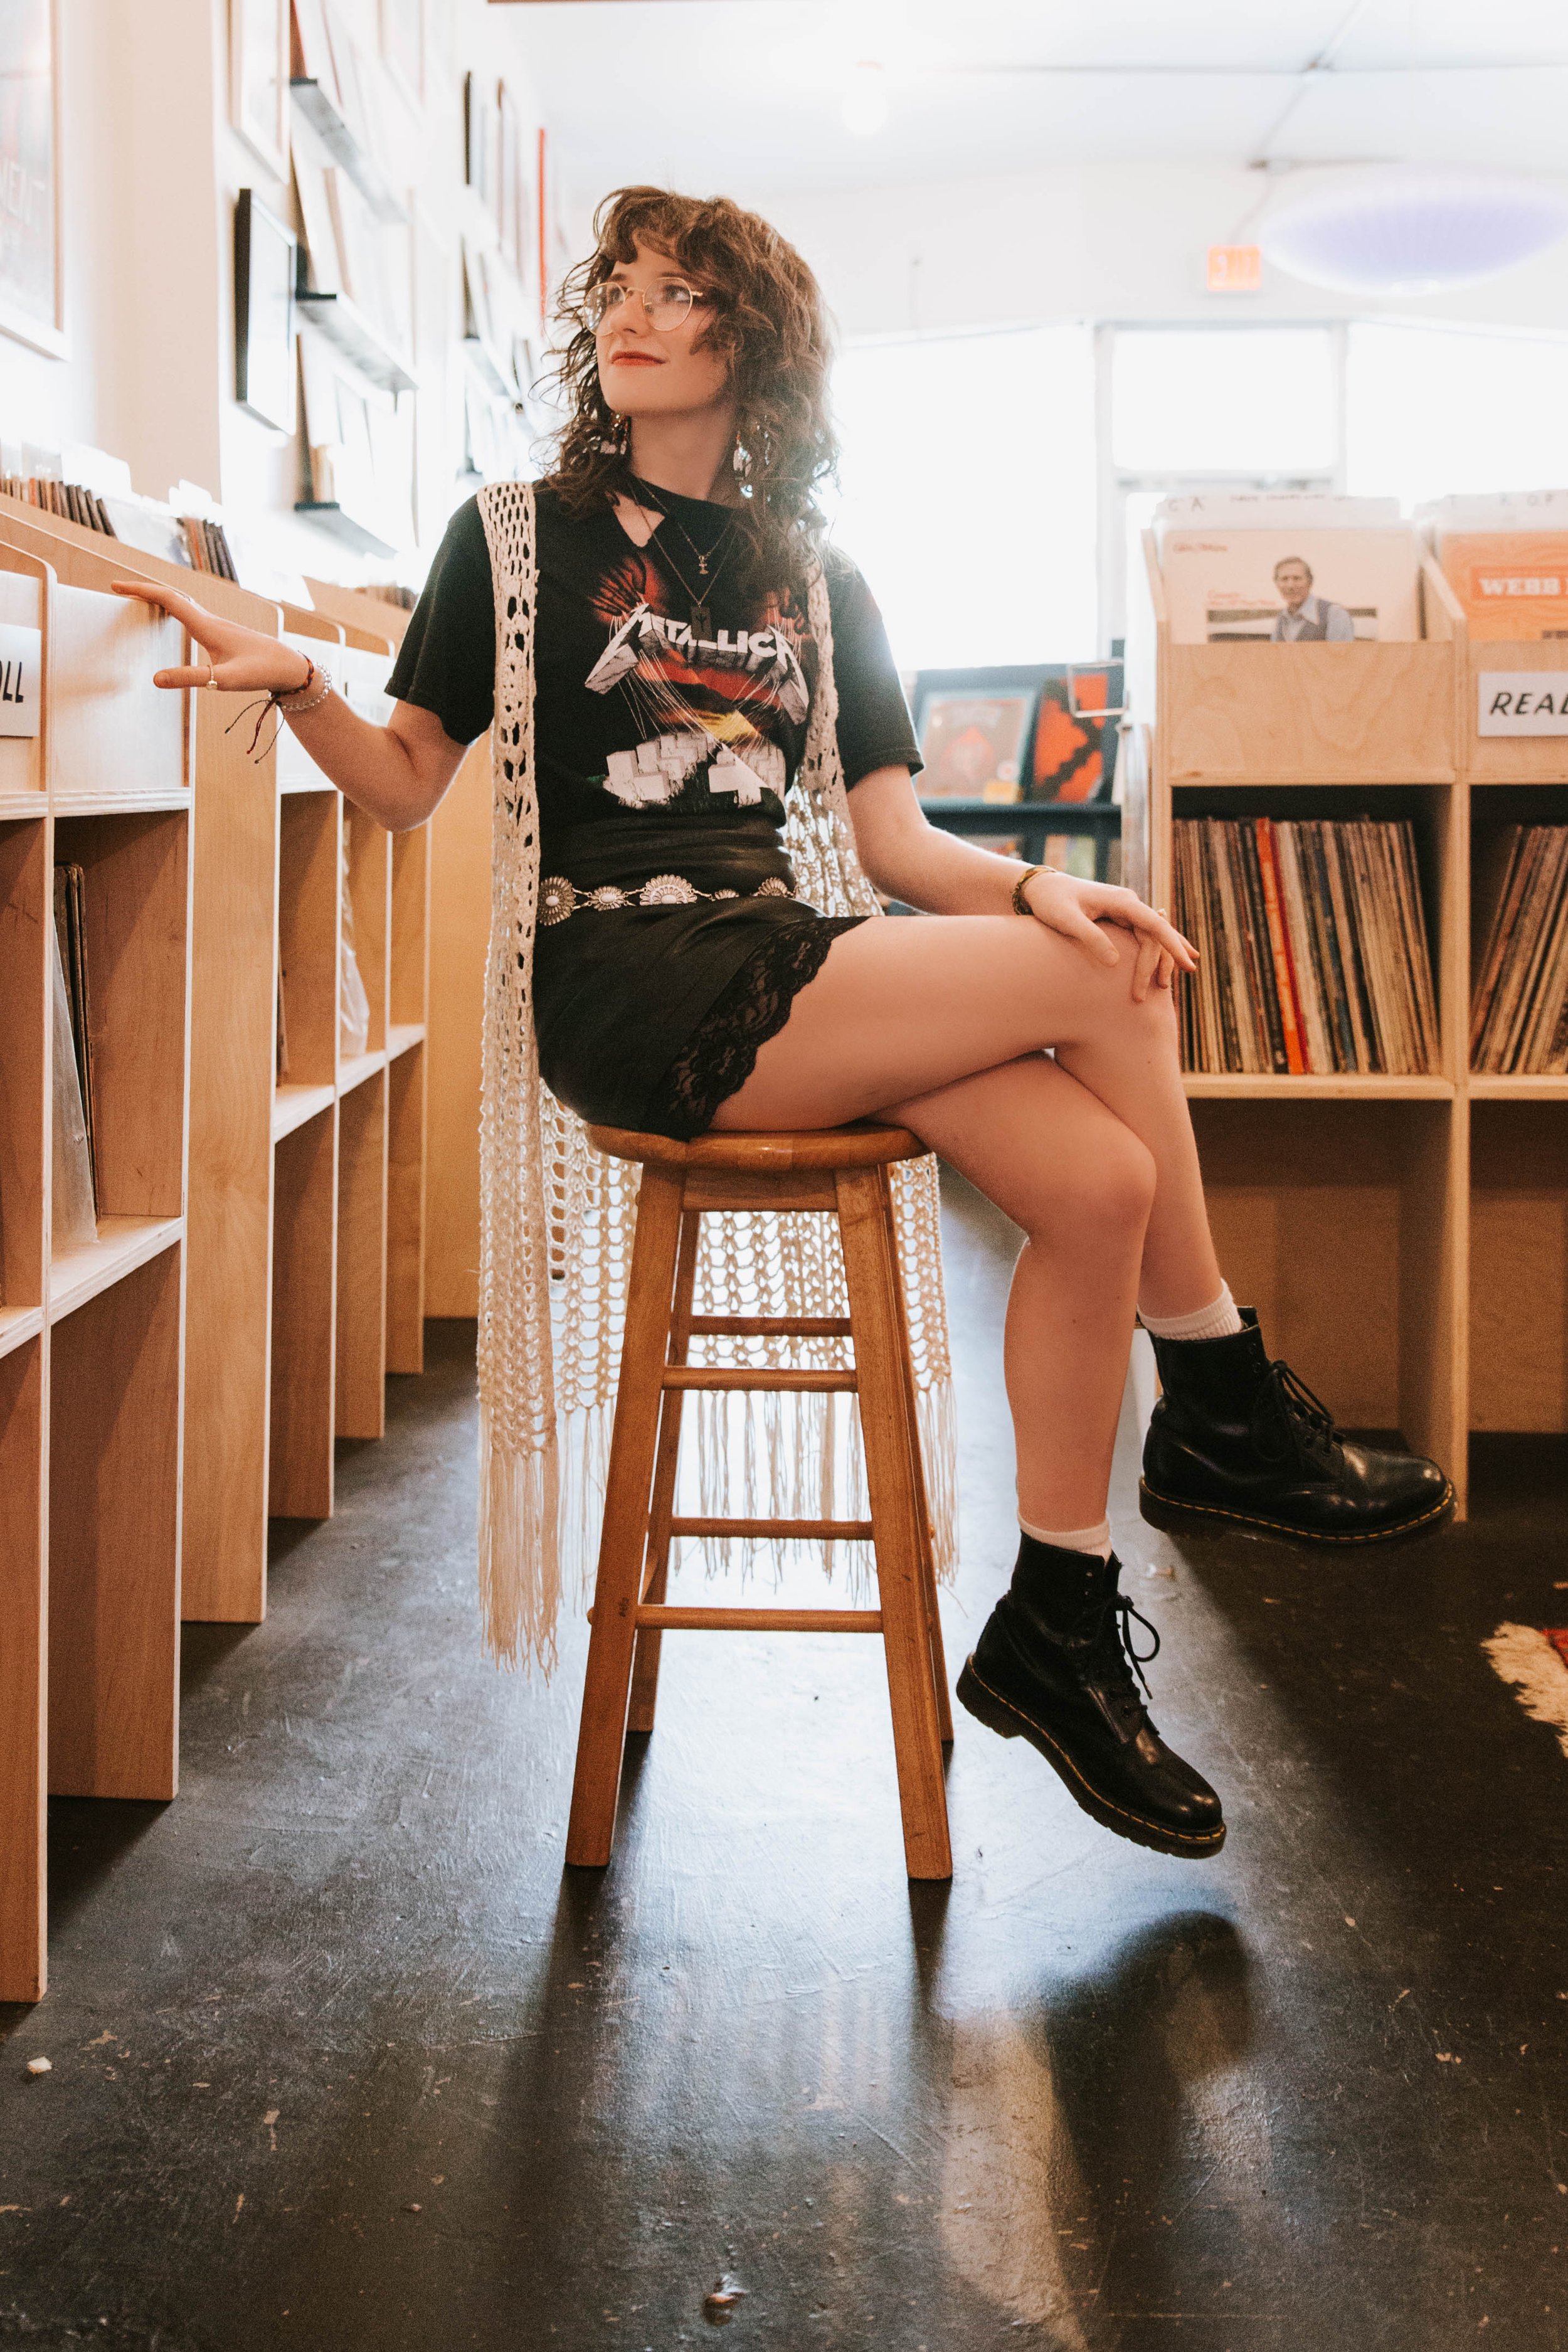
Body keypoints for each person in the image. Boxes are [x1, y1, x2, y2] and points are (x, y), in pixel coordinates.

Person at [115, 188, 1451, 1868]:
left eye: (681, 294)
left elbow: (890, 847)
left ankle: (1060, 1604)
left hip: (794, 949)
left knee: (1101, 1176)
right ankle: (1221, 1398)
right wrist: (303, 686)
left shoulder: (814, 577)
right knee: (1116, 984)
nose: (635, 312)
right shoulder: (515, 537)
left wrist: (1032, 888)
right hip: (627, 980)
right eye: (620, 286)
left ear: (752, 346)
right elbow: (401, 785)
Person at [1271, 556, 1355, 642]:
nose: (1291, 586)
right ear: (1277, 584)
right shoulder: (1280, 620)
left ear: (1310, 582)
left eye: (1297, 579)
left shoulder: (1335, 614)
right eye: (1284, 579)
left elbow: (1342, 655)